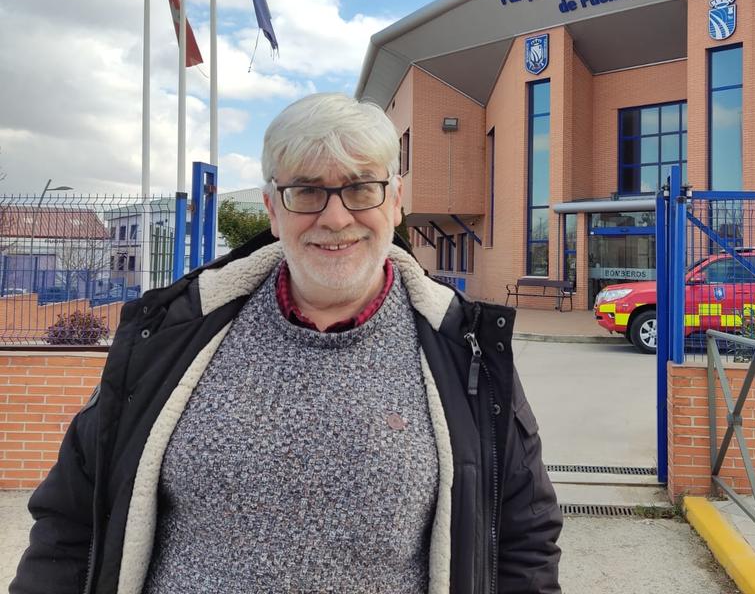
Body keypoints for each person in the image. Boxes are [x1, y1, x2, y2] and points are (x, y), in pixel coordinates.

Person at [11, 92, 562, 594]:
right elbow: (72, 522)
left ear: (394, 202)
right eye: (306, 191)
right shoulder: (174, 337)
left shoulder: (464, 350)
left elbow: (523, 539)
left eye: (360, 188)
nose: (336, 216)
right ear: (274, 210)